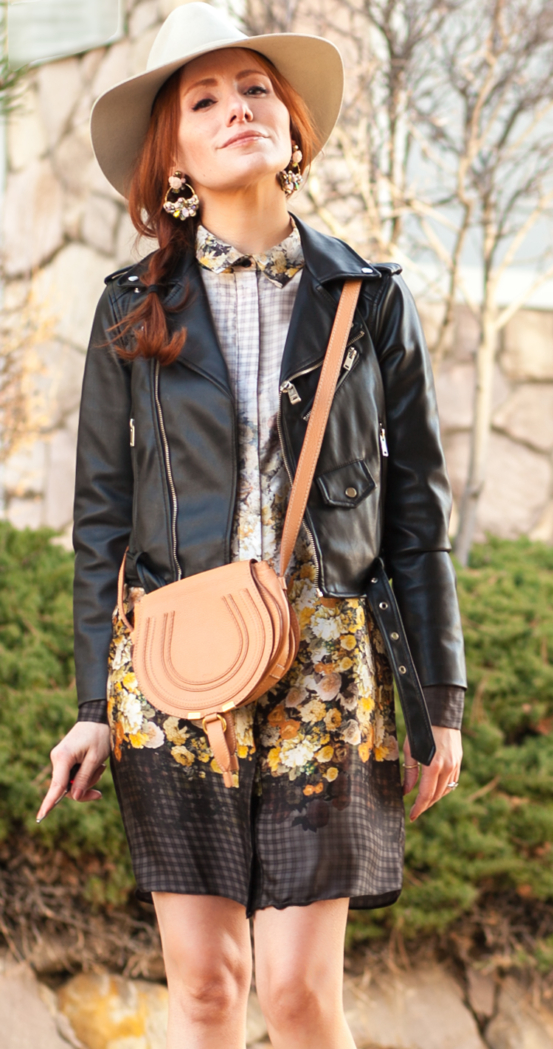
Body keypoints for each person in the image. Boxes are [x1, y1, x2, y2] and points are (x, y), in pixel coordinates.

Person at [37, 5, 467, 1048]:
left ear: (293, 127)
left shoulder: (368, 299)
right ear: (172, 154)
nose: (239, 110)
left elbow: (417, 513)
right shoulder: (128, 310)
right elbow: (101, 518)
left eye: (256, 90)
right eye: (206, 99)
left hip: (330, 668)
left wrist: (438, 697)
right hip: (174, 662)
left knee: (300, 987)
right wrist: (94, 700)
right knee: (206, 981)